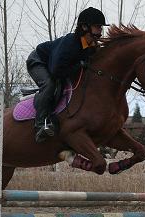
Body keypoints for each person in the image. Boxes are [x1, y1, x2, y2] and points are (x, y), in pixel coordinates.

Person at [26, 7, 109, 143]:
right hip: (38, 61)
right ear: (84, 27)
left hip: (56, 66)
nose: (100, 31)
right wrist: (80, 65)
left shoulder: (90, 45)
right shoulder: (71, 44)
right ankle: (40, 124)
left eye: (100, 27)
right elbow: (56, 71)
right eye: (97, 27)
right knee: (50, 84)